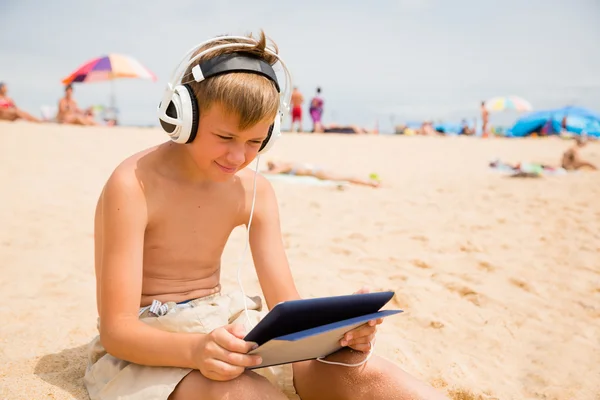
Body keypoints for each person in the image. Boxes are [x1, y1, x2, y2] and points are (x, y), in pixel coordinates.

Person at [85, 31, 448, 400]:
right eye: (225, 137)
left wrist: (337, 332)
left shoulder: (253, 189)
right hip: (151, 343)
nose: (238, 157)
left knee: (374, 377)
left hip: (227, 331)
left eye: (255, 142)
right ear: (183, 116)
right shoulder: (134, 185)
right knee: (246, 392)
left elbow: (285, 306)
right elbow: (117, 331)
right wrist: (195, 350)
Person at [265, 159, 381, 187]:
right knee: (342, 177)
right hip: (318, 170)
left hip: (317, 173)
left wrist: (266, 172)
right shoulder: (289, 163)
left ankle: (369, 183)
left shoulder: (286, 165)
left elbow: (274, 172)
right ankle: (369, 182)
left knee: (344, 178)